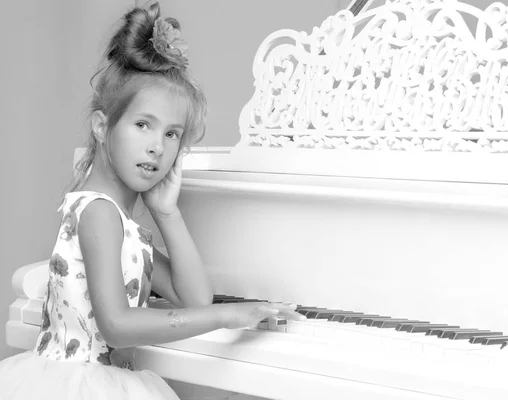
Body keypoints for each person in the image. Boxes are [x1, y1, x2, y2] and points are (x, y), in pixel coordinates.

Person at [0, 1, 305, 399]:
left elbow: (195, 298)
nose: (157, 148)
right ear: (101, 126)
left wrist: (167, 212)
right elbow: (116, 325)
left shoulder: (123, 225)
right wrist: (228, 315)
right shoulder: (98, 213)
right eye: (143, 125)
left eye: (171, 134)